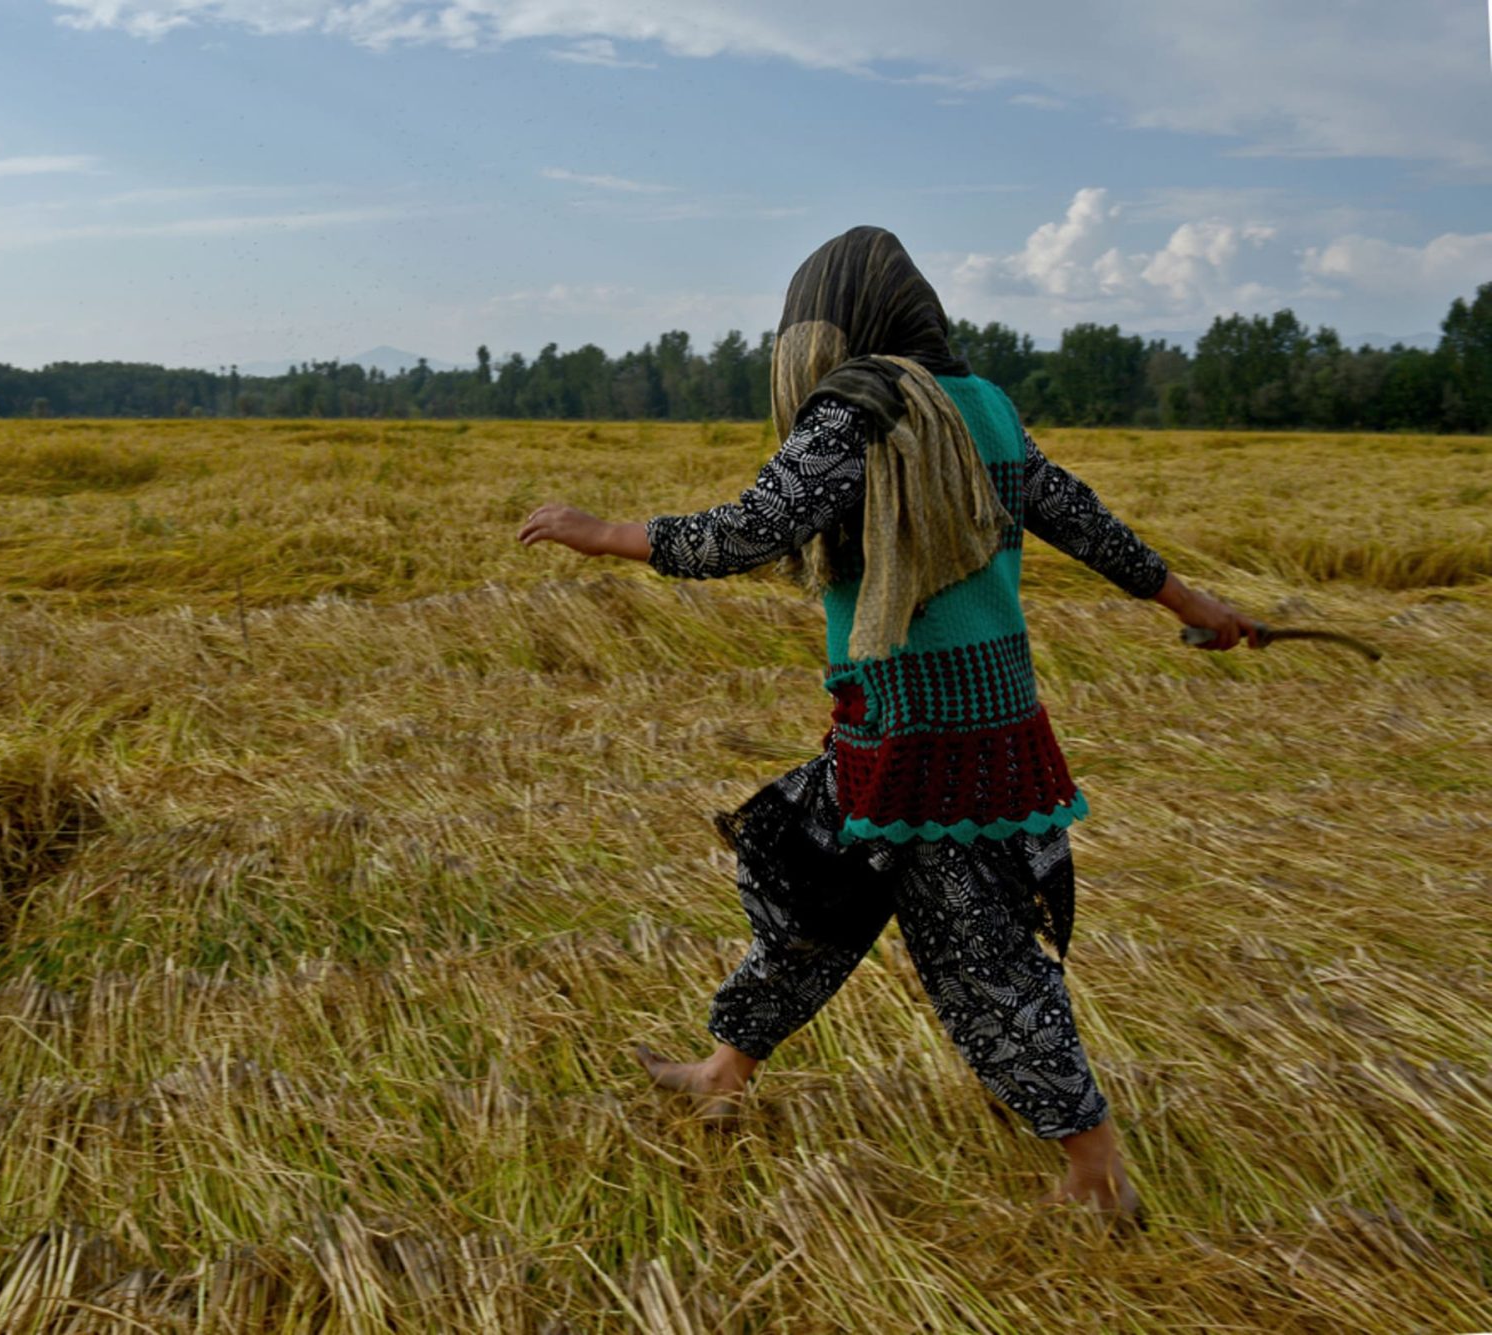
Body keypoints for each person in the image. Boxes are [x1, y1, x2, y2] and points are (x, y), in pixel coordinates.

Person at [516, 226, 1259, 1222]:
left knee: (982, 960)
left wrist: (598, 531)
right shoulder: (983, 405)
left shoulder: (860, 407)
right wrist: (1192, 604)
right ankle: (725, 1069)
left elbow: (751, 528)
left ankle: (1096, 1174)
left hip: (921, 748)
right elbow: (1077, 518)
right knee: (814, 889)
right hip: (961, 727)